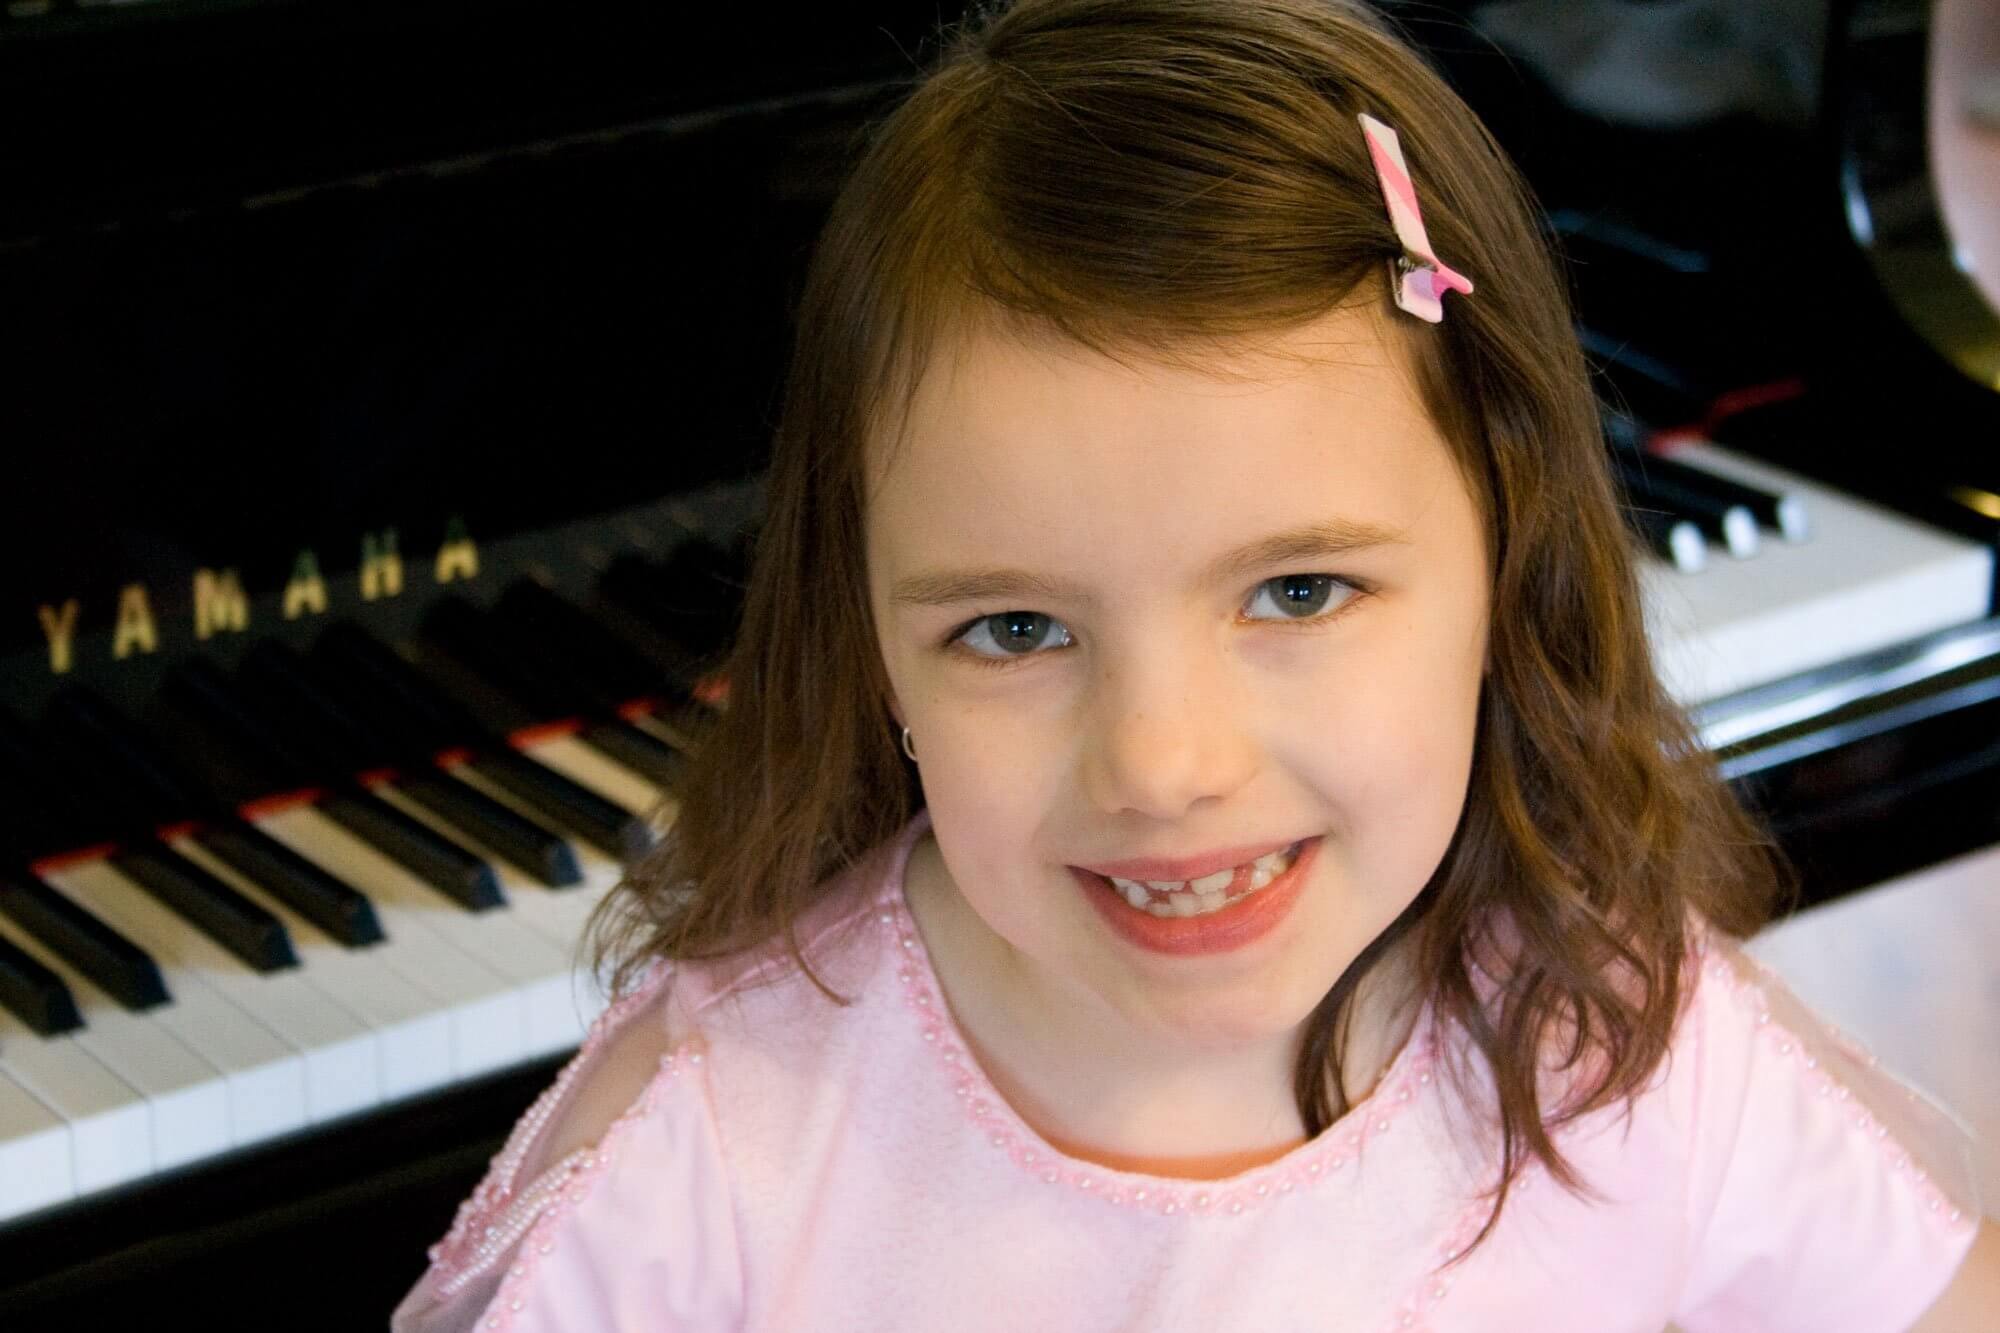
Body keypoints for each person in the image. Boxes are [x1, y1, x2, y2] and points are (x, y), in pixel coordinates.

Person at [392, 1, 1997, 1328]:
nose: (1162, 761)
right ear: (864, 636)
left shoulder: (1621, 1052)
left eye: (1297, 589)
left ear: (1509, 572)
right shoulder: (708, 1151)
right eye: (1014, 629)